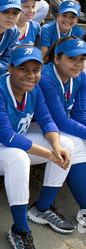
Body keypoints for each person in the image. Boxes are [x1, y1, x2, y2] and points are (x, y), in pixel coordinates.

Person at [0, 45, 76, 249]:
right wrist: (49, 155)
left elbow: (46, 120)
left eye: (36, 70)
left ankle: (42, 209)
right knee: (19, 158)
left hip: (14, 145)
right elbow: (6, 137)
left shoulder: (34, 89)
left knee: (66, 144)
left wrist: (55, 146)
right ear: (11, 68)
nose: (30, 75)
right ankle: (20, 230)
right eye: (23, 69)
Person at [39, 36, 86, 228]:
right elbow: (61, 120)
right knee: (72, 144)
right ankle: (42, 208)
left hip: (51, 126)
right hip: (31, 126)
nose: (78, 64)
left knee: (80, 143)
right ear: (56, 58)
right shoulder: (46, 77)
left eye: (82, 59)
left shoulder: (80, 76)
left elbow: (80, 113)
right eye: (72, 58)